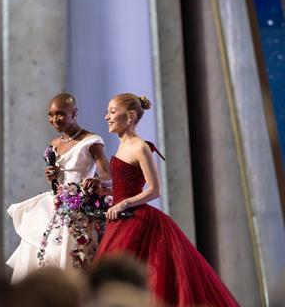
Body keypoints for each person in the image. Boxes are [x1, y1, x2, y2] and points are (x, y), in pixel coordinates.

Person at [94, 93, 239, 307]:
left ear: (131, 115)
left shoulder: (140, 147)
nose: (107, 117)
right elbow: (126, 187)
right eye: (108, 112)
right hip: (120, 219)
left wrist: (124, 203)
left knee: (131, 279)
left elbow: (154, 190)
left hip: (136, 221)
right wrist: (105, 191)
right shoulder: (122, 145)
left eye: (112, 112)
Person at [6, 93, 110, 283]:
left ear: (75, 113)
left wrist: (96, 181)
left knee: (71, 259)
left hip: (81, 208)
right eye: (51, 115)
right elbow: (57, 185)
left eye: (60, 114)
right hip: (56, 205)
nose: (55, 119)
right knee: (38, 250)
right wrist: (52, 178)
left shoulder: (91, 141)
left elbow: (107, 175)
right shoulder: (54, 144)